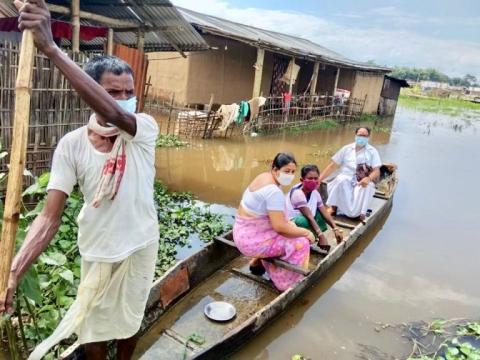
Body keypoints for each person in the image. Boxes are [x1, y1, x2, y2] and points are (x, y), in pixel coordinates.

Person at [0, 1, 159, 359]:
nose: (123, 99)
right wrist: (14, 270)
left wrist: (51, 48)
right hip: (97, 249)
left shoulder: (143, 129)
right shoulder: (72, 145)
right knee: (93, 327)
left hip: (140, 246)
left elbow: (115, 115)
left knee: (130, 322)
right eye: (112, 91)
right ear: (91, 91)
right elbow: (49, 216)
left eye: (128, 92)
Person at [233, 153, 315, 291]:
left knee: (292, 228)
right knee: (302, 243)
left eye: (293, 172)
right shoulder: (274, 192)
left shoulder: (263, 177)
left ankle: (258, 261)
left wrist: (292, 227)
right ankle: (285, 283)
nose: (290, 175)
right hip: (252, 243)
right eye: (286, 171)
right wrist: (306, 232)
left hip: (241, 233)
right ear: (275, 170)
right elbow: (280, 228)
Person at [319, 127, 382, 221]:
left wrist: (368, 178)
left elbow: (377, 171)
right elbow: (333, 166)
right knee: (340, 180)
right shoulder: (346, 149)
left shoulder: (372, 151)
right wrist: (319, 179)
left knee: (366, 189)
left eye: (365, 135)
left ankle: (358, 212)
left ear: (368, 137)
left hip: (362, 179)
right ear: (355, 135)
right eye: (360, 135)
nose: (362, 137)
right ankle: (333, 208)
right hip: (346, 177)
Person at [286, 165, 343, 251]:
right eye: (310, 178)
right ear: (302, 180)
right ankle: (305, 240)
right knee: (302, 221)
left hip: (307, 218)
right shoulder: (298, 194)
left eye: (316, 178)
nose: (313, 181)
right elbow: (309, 217)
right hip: (291, 224)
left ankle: (312, 238)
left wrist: (335, 229)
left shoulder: (315, 193)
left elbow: (324, 212)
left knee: (321, 215)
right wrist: (321, 236)